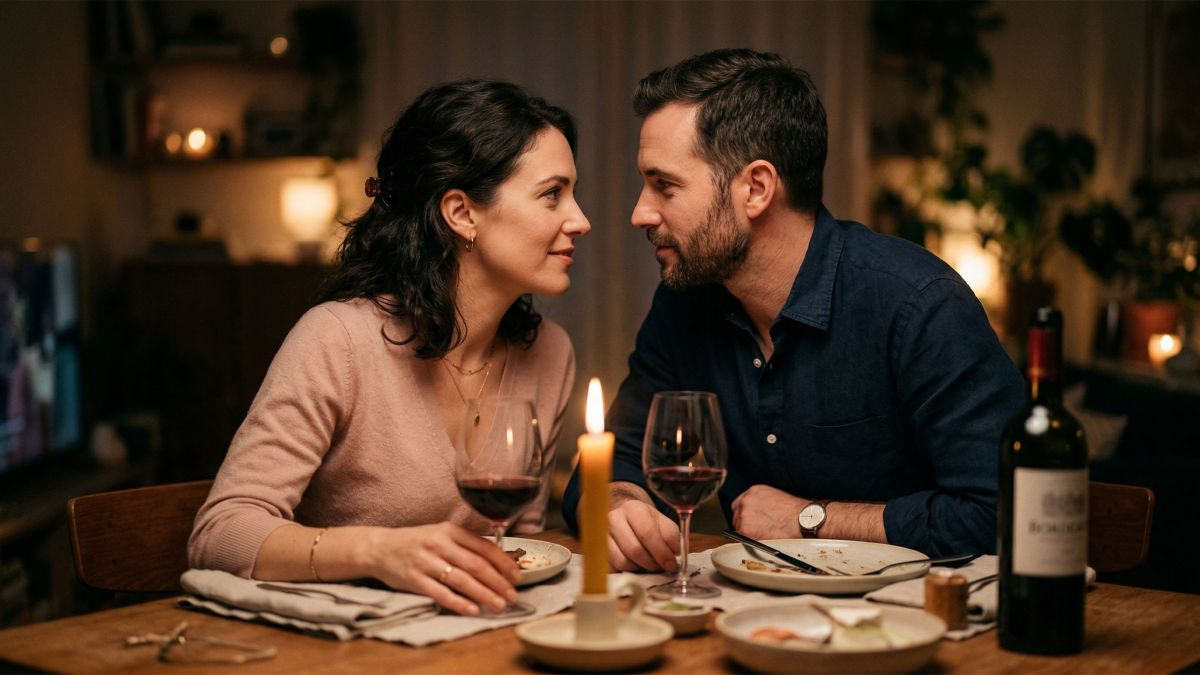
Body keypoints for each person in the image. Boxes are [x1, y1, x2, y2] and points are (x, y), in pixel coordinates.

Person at [562, 48, 1024, 572]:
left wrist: (813, 520)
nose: (639, 212)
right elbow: (614, 458)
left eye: (665, 185)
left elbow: (1004, 515)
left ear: (756, 188)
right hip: (746, 623)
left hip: (910, 625)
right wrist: (622, 505)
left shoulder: (918, 305)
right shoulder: (686, 302)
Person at [189, 79, 590, 616]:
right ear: (462, 213)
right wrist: (378, 550)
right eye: (552, 194)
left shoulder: (549, 353)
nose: (580, 220)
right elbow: (219, 534)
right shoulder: (337, 340)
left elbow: (520, 548)